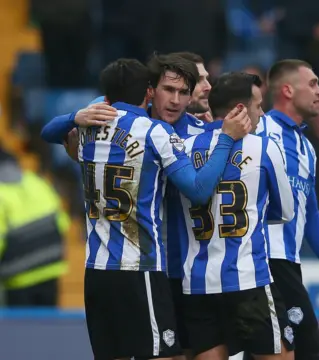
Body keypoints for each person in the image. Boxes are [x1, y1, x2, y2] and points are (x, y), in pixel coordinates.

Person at [40, 58, 250, 360]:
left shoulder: (90, 125)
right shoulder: (155, 132)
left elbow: (49, 132)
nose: (175, 99)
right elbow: (199, 190)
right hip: (140, 269)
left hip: (97, 269)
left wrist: (76, 116)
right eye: (168, 89)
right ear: (150, 92)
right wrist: (226, 138)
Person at [181, 72, 296, 360]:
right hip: (248, 279)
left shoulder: (182, 148)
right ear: (240, 110)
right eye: (258, 105)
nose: (262, 112)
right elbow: (285, 211)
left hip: (197, 283)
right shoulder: (264, 147)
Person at [249, 59, 319, 360]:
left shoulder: (306, 147)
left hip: (288, 263)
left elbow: (312, 214)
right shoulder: (258, 132)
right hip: (264, 261)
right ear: (287, 90)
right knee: (308, 353)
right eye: (313, 84)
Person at [0, 148, 69, 306]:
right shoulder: (38, 182)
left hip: (18, 275)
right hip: (51, 265)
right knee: (46, 326)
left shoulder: (1, 193)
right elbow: (63, 222)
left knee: (21, 328)